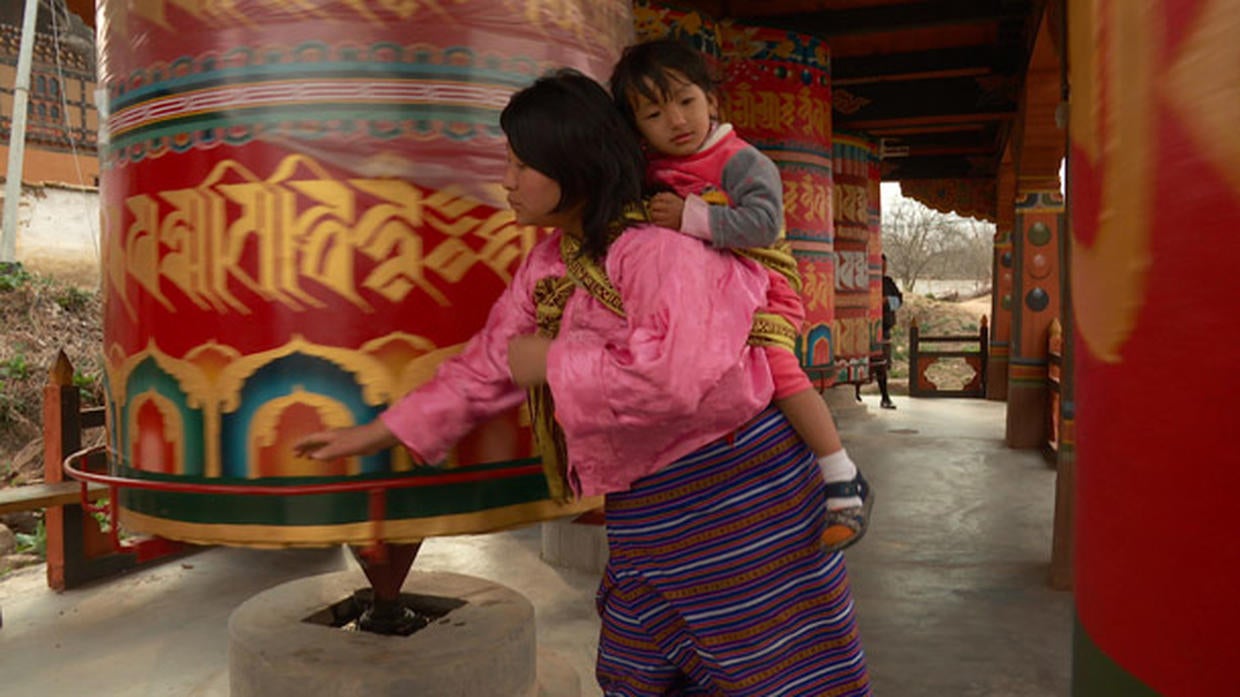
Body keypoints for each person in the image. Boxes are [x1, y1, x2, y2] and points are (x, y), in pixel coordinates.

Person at [296, 69, 870, 696]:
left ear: (573, 164)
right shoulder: (551, 264)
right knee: (635, 672)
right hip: (645, 507)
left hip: (738, 497)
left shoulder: (661, 249)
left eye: (520, 164)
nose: (506, 181)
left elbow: (672, 380)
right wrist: (380, 431)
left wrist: (554, 360)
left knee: (772, 675)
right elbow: (490, 362)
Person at [608, 38, 870, 551]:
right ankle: (633, 485)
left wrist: (692, 217)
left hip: (761, 291)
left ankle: (841, 475)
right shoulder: (646, 170)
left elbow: (764, 223)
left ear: (713, 101)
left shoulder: (740, 161)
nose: (676, 120)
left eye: (686, 101)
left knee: (778, 367)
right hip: (698, 298)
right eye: (655, 113)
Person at [877, 253, 903, 409]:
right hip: (863, 328)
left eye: (884, 266)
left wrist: (886, 301)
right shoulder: (864, 280)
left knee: (882, 364)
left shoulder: (888, 282)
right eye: (880, 266)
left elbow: (899, 300)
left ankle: (885, 397)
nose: (883, 269)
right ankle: (855, 394)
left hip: (884, 328)